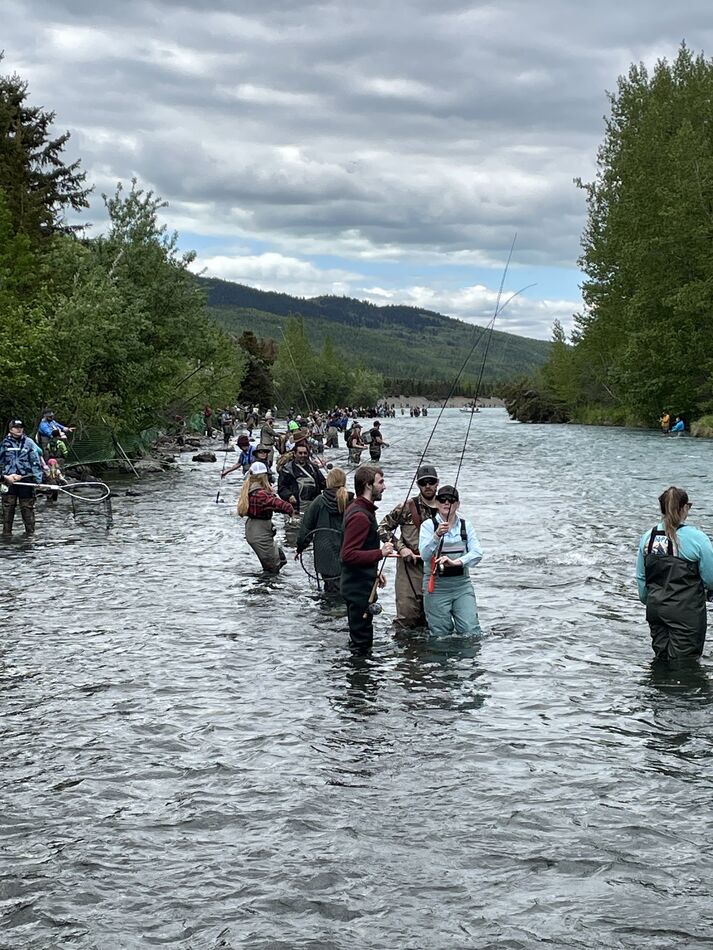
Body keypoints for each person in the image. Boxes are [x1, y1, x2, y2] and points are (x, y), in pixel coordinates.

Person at [636, 486, 713, 659]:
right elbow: (711, 578)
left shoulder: (648, 537)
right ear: (683, 508)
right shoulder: (697, 538)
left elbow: (641, 578)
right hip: (685, 613)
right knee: (684, 664)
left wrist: (650, 600)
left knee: (661, 659)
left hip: (655, 610)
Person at [378, 463, 439, 630]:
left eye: (431, 482)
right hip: (409, 567)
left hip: (437, 569)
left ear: (437, 483)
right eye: (423, 482)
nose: (427, 486)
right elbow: (382, 528)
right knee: (406, 618)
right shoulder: (406, 507)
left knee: (434, 621)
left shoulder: (446, 507)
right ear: (418, 484)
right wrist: (400, 547)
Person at [340, 466, 394, 650]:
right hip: (357, 589)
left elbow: (359, 549)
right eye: (380, 482)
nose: (384, 487)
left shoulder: (359, 509)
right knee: (361, 644)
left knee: (359, 638)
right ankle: (360, 677)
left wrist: (374, 570)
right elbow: (347, 554)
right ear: (368, 485)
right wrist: (380, 553)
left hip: (360, 582)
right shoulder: (360, 516)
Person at [419, 484, 483, 636]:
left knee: (471, 631)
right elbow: (424, 556)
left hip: (462, 586)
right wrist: (436, 537)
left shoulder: (466, 526)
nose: (446, 503)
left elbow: (477, 553)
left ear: (458, 504)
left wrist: (457, 562)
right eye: (442, 499)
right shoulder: (428, 526)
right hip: (436, 588)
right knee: (440, 634)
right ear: (436, 503)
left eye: (451, 499)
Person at [296, 467, 350, 593]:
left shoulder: (319, 501)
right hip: (348, 553)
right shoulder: (352, 501)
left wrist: (300, 548)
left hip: (324, 554)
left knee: (330, 591)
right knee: (346, 590)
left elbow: (306, 527)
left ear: (328, 482)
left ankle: (329, 612)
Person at [237, 461, 294, 573]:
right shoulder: (261, 494)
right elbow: (277, 504)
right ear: (264, 477)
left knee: (279, 559)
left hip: (253, 528)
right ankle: (268, 589)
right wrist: (290, 509)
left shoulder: (249, 489)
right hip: (260, 533)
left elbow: (268, 506)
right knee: (273, 568)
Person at [0, 419, 43, 537]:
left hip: (26, 479)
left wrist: (38, 479)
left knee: (27, 508)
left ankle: (30, 535)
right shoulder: (4, 444)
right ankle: (7, 535)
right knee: (8, 508)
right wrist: (3, 477)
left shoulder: (29, 443)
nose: (19, 429)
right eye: (16, 427)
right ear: (10, 429)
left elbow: (35, 461)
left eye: (21, 427)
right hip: (8, 480)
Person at [277, 440, 326, 515]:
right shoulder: (287, 469)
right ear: (295, 454)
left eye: (305, 453)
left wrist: (333, 482)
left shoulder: (313, 468)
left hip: (313, 506)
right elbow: (282, 487)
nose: (303, 455)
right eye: (300, 453)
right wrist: (289, 496)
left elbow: (323, 483)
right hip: (296, 507)